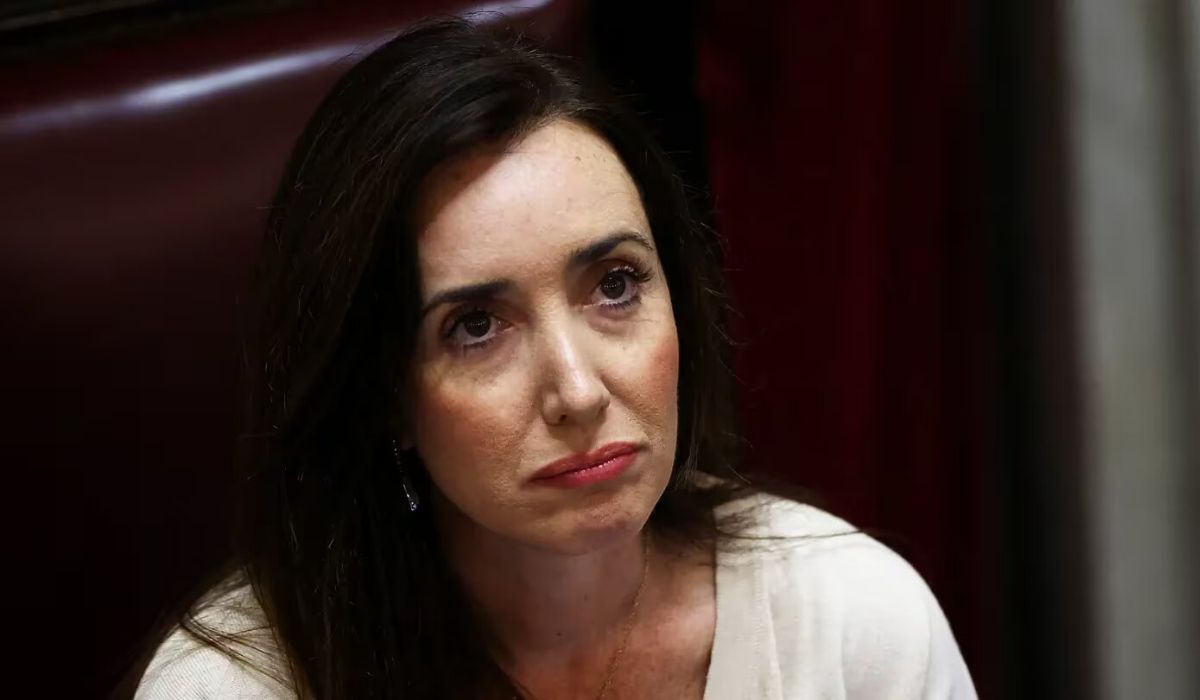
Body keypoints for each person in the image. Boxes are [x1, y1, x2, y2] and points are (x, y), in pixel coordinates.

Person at [135, 18, 976, 700]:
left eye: (615, 285)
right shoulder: (226, 690)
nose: (578, 391)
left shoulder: (854, 623)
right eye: (475, 327)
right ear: (381, 392)